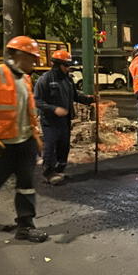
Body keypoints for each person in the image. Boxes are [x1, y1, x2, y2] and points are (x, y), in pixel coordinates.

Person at [0, 36, 48, 243]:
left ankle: (25, 226)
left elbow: (28, 112)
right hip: (0, 143)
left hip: (24, 143)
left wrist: (36, 136)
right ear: (19, 54)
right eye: (33, 57)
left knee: (26, 185)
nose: (35, 62)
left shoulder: (25, 79)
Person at [34, 50, 95, 185]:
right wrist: (54, 109)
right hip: (50, 121)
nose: (68, 68)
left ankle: (59, 170)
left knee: (64, 146)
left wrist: (90, 100)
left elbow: (75, 95)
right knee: (51, 146)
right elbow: (37, 101)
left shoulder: (68, 79)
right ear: (58, 65)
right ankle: (48, 173)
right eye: (66, 65)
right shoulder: (45, 79)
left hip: (65, 120)